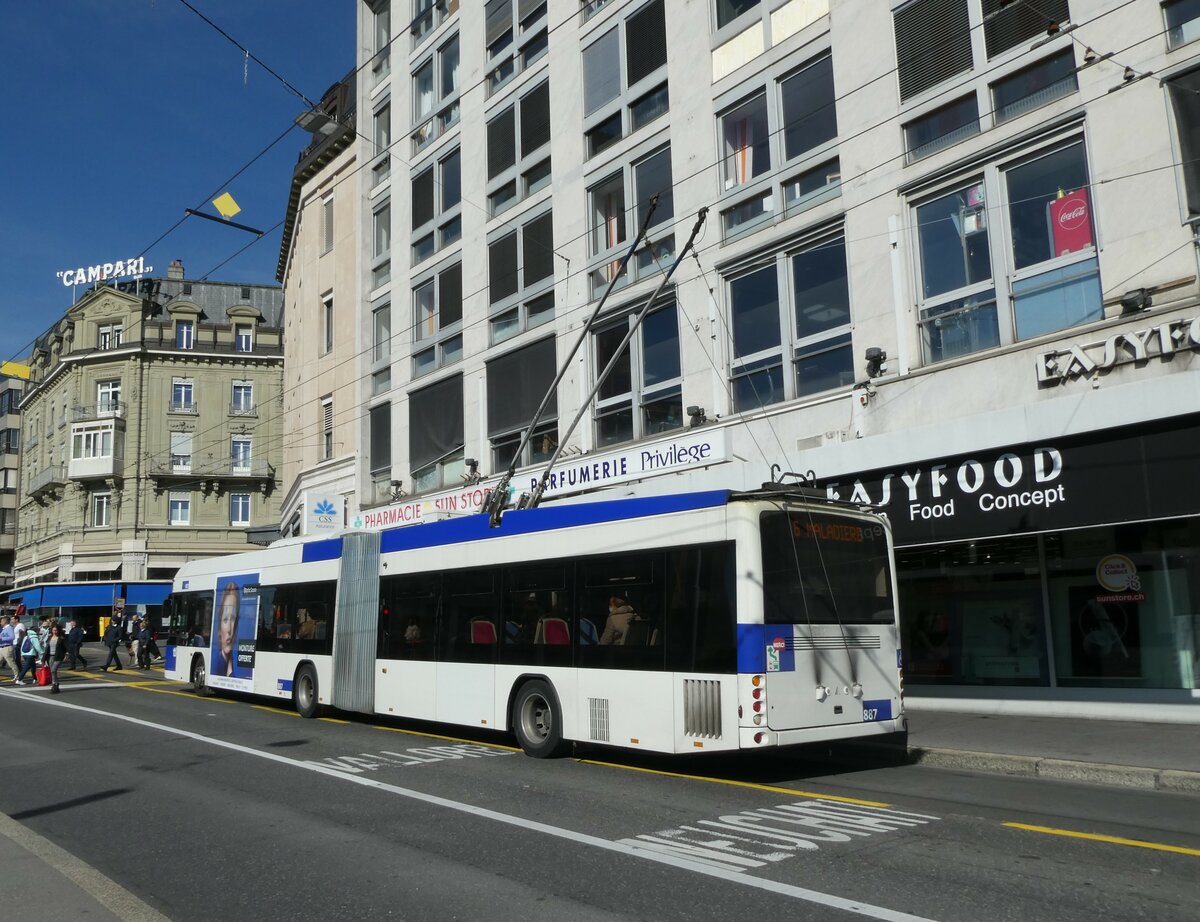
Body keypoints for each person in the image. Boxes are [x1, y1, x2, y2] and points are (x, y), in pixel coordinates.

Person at [217, 582, 239, 676]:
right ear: (219, 628)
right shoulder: (215, 664)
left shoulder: (236, 672)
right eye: (225, 619)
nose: (229, 629)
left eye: (233, 619)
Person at [43, 623, 66, 693]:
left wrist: (67, 655)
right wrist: (43, 658)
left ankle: (54, 685)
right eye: (53, 630)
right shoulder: (50, 638)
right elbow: (47, 648)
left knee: (53, 670)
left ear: (58, 631)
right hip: (50, 657)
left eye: (56, 630)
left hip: (59, 656)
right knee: (53, 672)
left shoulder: (61, 638)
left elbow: (66, 647)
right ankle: (56, 684)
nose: (54, 632)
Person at [0, 615, 17, 681]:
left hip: (7, 647)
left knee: (11, 663)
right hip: (1, 647)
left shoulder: (9, 628)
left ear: (5, 621)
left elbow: (12, 637)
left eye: (1, 621)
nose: (0, 622)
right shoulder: (2, 629)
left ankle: (17, 675)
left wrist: (2, 638)